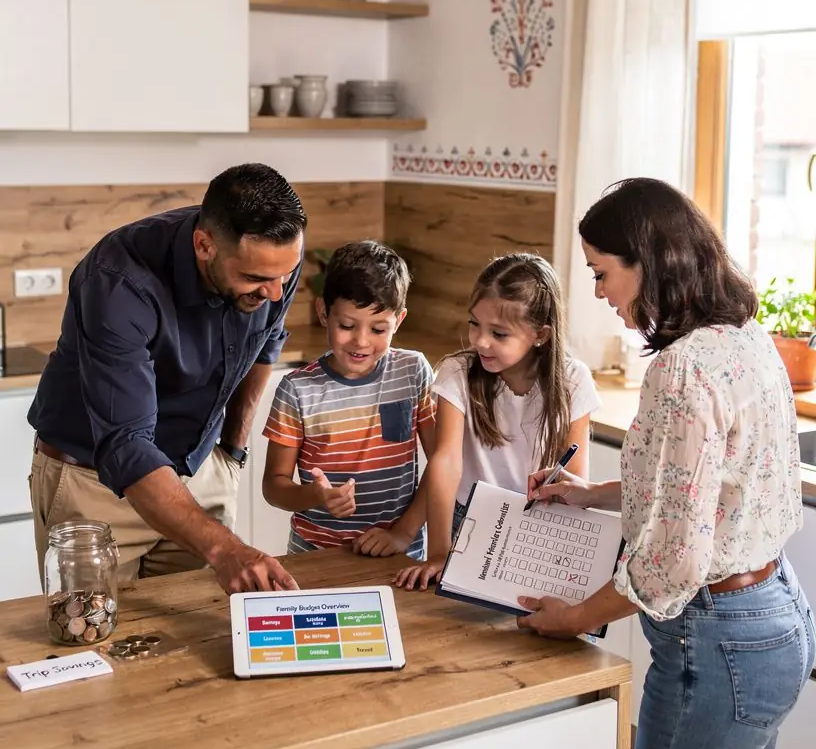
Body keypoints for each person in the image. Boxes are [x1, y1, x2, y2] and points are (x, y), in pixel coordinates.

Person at [522, 178, 815, 749]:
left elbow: (672, 565)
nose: (600, 292)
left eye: (603, 272)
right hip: (779, 621)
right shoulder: (745, 338)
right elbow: (699, 489)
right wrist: (586, 495)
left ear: (648, 263)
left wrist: (575, 617)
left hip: (716, 648)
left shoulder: (681, 371)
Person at [29, 163, 305, 594]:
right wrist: (225, 549)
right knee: (91, 642)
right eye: (254, 278)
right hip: (94, 487)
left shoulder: (274, 259)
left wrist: (232, 451)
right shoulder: (116, 279)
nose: (274, 291)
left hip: (200, 472)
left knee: (198, 642)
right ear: (204, 245)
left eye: (282, 276)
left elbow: (265, 344)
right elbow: (126, 444)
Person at [395, 252, 600, 591]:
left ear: (541, 335)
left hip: (540, 525)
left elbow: (575, 476)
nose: (480, 341)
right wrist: (439, 552)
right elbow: (445, 461)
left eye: (499, 333)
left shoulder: (573, 380)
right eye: (474, 323)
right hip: (467, 522)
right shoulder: (458, 372)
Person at [262, 241, 435, 556]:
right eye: (346, 325)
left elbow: (443, 464)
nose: (361, 341)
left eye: (379, 329)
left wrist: (403, 533)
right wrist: (315, 495)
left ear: (400, 320)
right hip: (316, 554)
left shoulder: (413, 372)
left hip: (399, 554)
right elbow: (274, 487)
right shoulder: (297, 389)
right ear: (323, 313)